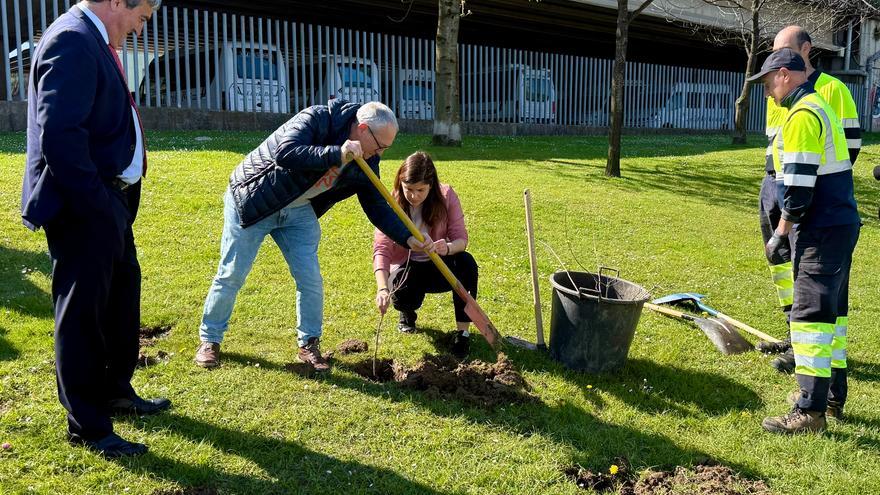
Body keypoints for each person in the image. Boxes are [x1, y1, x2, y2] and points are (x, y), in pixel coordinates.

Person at [20, 0, 169, 458]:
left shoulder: (94, 41)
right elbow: (60, 136)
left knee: (122, 294)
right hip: (84, 203)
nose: (141, 30)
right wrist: (98, 204)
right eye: (142, 18)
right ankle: (88, 424)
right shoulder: (73, 39)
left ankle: (115, 390)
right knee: (83, 312)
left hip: (109, 202)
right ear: (117, 1)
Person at [194, 100, 431, 371]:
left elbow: (376, 204)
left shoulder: (368, 158)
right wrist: (336, 154)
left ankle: (309, 345)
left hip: (296, 212)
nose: (380, 154)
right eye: (380, 146)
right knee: (232, 273)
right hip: (254, 200)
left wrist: (406, 237)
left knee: (310, 280)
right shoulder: (320, 118)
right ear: (363, 129)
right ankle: (209, 340)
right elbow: (286, 152)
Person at [748, 48, 860, 434]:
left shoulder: (801, 115)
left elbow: (798, 186)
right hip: (839, 224)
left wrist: (781, 233)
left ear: (783, 75)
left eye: (766, 83)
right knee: (833, 318)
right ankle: (831, 400)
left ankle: (809, 412)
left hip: (820, 228)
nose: (766, 93)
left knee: (809, 317)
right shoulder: (817, 106)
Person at [372, 152, 478, 359]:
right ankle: (407, 313)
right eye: (408, 189)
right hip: (408, 268)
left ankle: (463, 333)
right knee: (403, 296)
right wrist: (382, 288)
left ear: (431, 185)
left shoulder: (446, 196)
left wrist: (445, 248)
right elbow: (381, 248)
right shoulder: (392, 203)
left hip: (439, 266)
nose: (414, 196)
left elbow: (461, 239)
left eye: (420, 190)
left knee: (467, 263)